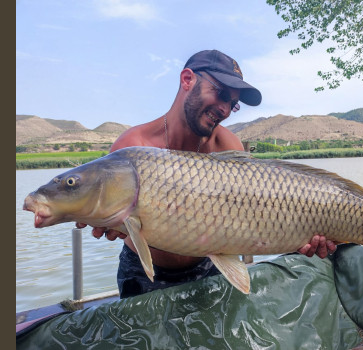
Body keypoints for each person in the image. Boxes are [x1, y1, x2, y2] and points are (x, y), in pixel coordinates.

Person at [77, 49, 336, 298]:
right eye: (221, 93)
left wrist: (300, 236)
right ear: (187, 79)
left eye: (233, 104)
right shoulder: (133, 146)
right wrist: (107, 222)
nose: (225, 109)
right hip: (145, 271)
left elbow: (256, 216)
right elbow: (107, 215)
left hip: (210, 266)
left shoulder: (228, 146)